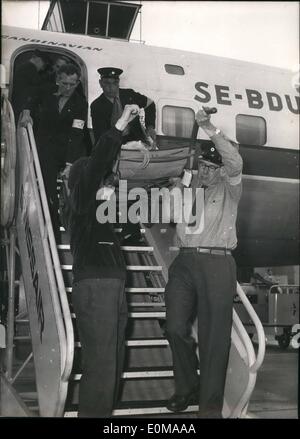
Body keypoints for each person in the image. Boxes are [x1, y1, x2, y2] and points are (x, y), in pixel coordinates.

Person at [164, 107, 243, 418]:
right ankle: (187, 387)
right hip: (184, 262)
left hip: (217, 262)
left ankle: (209, 410)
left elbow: (235, 160)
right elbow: (171, 215)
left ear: (221, 169)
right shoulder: (189, 187)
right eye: (203, 166)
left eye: (212, 167)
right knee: (174, 327)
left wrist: (207, 126)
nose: (206, 172)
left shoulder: (230, 187)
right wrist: (175, 189)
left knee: (214, 338)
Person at [67, 103, 140, 418]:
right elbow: (97, 163)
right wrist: (120, 125)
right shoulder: (82, 203)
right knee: (102, 364)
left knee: (111, 361)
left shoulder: (100, 216)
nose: (110, 184)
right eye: (105, 181)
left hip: (110, 287)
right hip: (98, 288)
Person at [19, 63, 88, 240]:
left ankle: (63, 226)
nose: (68, 88)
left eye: (72, 84)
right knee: (49, 189)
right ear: (58, 79)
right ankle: (53, 232)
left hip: (65, 151)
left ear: (77, 82)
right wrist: (26, 112)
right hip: (44, 150)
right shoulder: (46, 90)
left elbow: (76, 133)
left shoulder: (80, 104)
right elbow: (31, 96)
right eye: (64, 83)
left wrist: (69, 163)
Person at [90, 67, 157, 147]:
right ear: (100, 83)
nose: (111, 87)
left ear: (118, 83)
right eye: (107, 83)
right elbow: (101, 136)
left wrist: (150, 126)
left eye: (115, 83)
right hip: (114, 146)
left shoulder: (129, 94)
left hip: (137, 142)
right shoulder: (97, 106)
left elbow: (150, 103)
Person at [12, 49, 50, 122]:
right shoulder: (30, 69)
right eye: (44, 64)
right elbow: (32, 91)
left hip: (19, 106)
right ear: (38, 59)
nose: (42, 68)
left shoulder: (23, 67)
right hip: (22, 109)